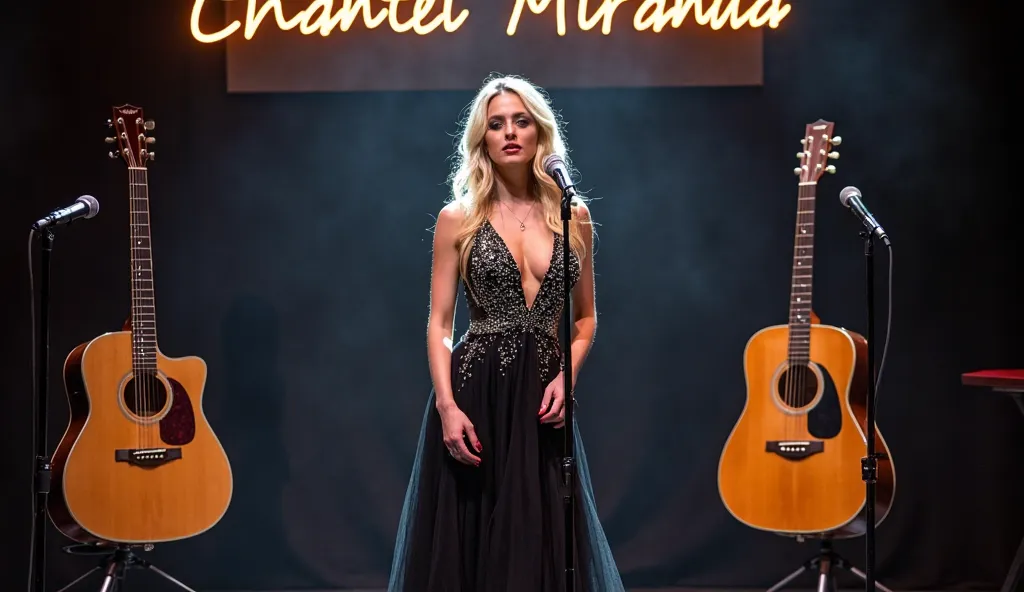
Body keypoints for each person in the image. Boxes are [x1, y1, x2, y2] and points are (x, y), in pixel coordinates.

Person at [387, 74, 625, 592]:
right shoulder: (459, 218)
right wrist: (447, 407)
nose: (509, 132)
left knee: (538, 534)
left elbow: (585, 319)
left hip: (542, 398)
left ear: (540, 132)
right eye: (496, 124)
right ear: (483, 140)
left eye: (520, 121)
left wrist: (569, 375)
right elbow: (440, 323)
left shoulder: (573, 214)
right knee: (471, 535)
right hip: (477, 391)